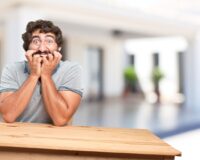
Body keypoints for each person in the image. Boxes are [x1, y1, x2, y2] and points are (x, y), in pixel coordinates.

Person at [0, 19, 83, 126]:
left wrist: (46, 75)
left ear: (59, 48)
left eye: (49, 41)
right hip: (18, 136)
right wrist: (34, 75)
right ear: (27, 49)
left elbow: (61, 119)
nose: (42, 48)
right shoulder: (12, 69)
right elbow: (8, 115)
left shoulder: (72, 69)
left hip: (55, 138)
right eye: (36, 41)